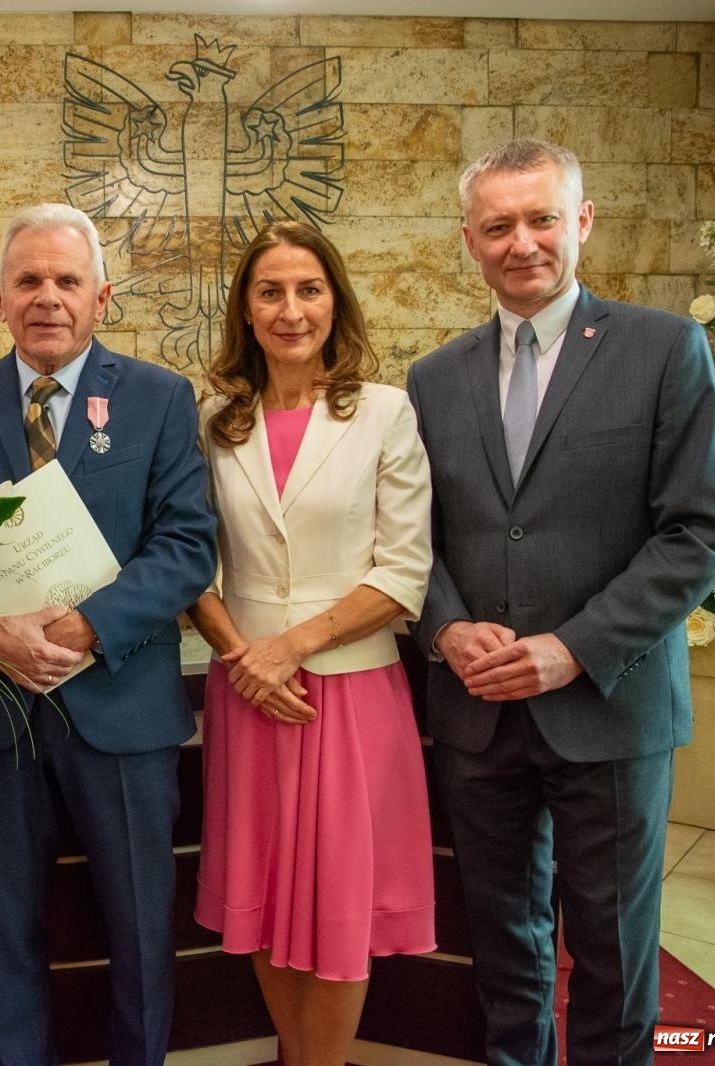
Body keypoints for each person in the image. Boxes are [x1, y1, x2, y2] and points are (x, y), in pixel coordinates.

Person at [406, 139, 715, 1065]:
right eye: (498, 225)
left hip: (610, 707)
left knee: (614, 951)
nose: (523, 243)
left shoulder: (666, 349)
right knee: (504, 949)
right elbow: (412, 539)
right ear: (468, 239)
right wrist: (444, 626)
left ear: (581, 221)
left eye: (542, 218)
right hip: (479, 712)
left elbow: (699, 533)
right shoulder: (434, 379)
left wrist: (574, 648)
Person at [0, 202, 217, 1065]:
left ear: (101, 296)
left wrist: (91, 625)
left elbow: (187, 544)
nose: (47, 297)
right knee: (7, 935)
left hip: (124, 713)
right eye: (29, 281)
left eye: (66, 280)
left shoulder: (160, 399)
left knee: (138, 937)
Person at [187, 221, 436, 1066]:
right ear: (245, 312)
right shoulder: (216, 419)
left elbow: (405, 571)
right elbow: (190, 560)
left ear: (335, 301)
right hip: (248, 691)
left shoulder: (386, 414)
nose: (290, 310)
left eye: (308, 289)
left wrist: (286, 649)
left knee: (335, 909)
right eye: (270, 292)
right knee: (261, 894)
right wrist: (242, 660)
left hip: (349, 691)